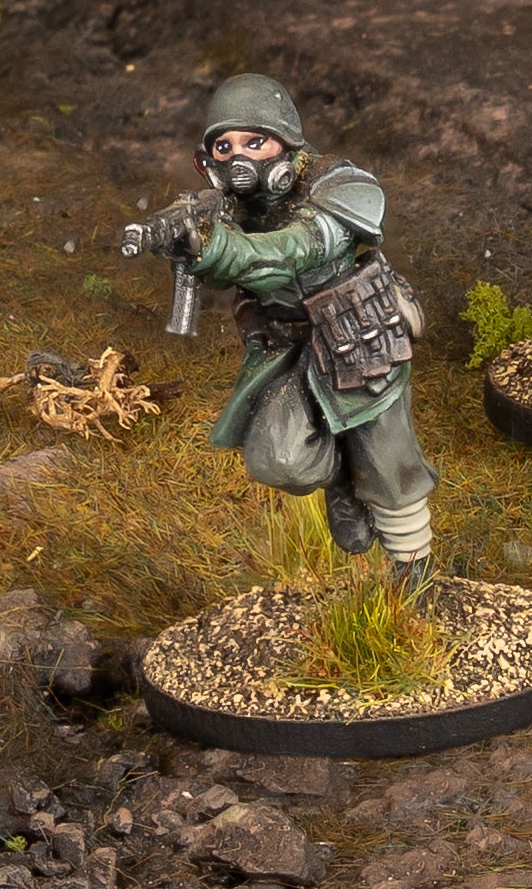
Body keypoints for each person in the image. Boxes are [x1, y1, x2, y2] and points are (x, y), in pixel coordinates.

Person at [126, 72, 437, 587]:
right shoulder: (234, 205)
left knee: (391, 469)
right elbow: (229, 274)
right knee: (278, 459)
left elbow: (295, 250)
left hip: (360, 337)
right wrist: (191, 249)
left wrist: (219, 247)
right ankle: (343, 480)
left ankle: (414, 577)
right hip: (287, 346)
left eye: (254, 142)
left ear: (286, 141)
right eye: (224, 147)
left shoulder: (340, 184)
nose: (239, 158)